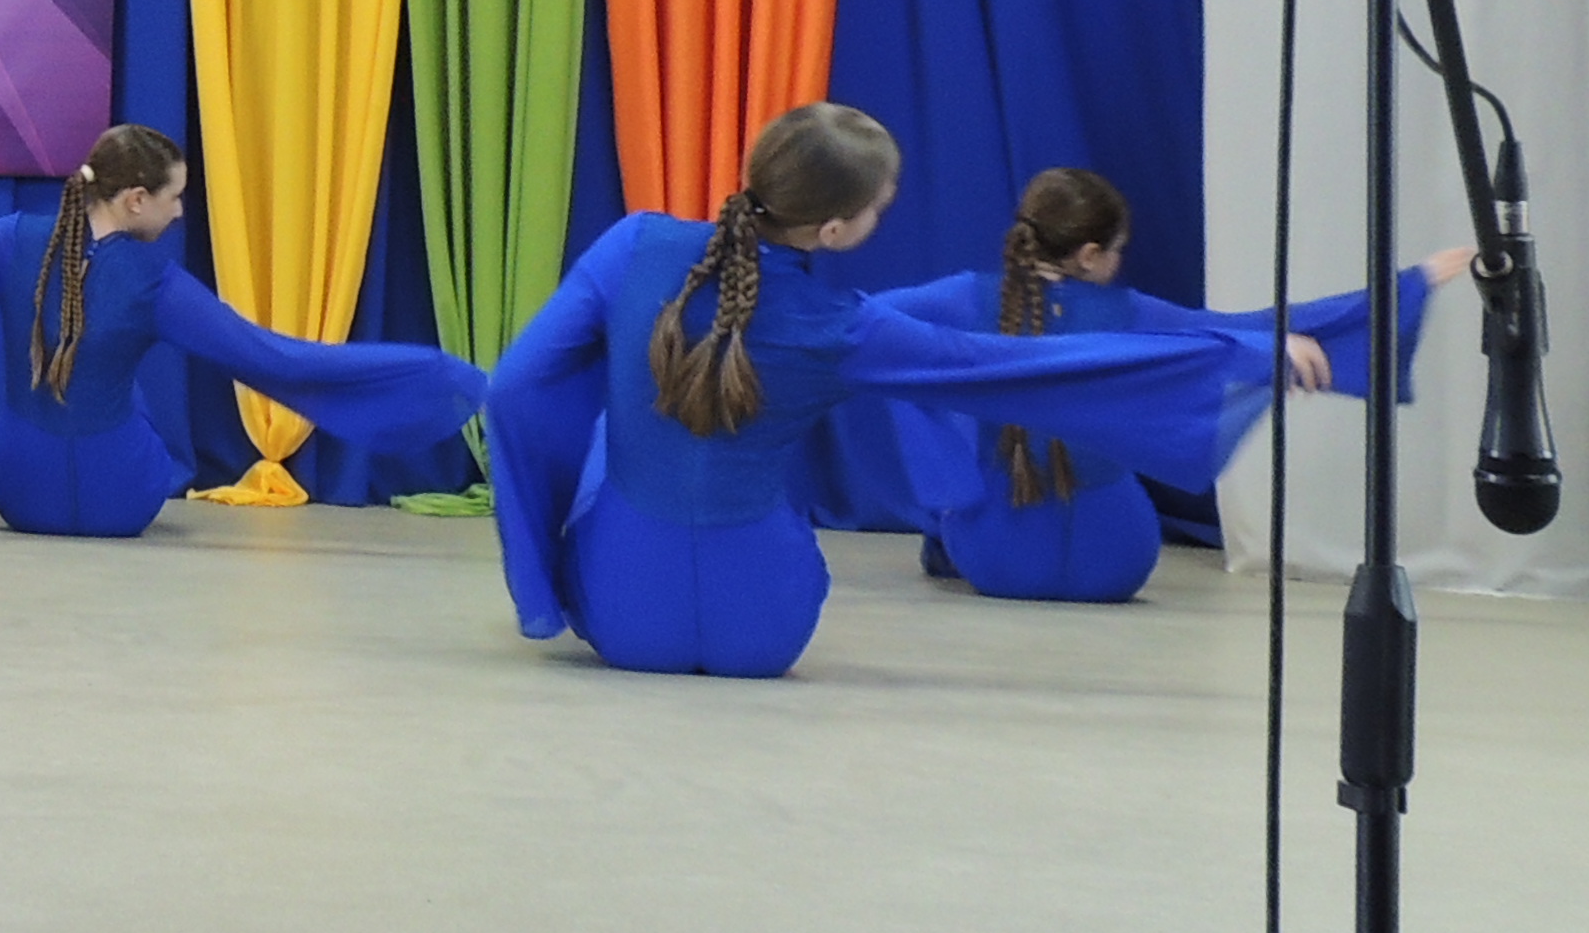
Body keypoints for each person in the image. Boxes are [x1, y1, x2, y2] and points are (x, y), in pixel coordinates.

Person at [483, 104, 1243, 679]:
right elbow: (1018, 370)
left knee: (611, 439)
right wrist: (1254, 355)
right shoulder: (847, 327)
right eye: (882, 204)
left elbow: (516, 387)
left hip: (624, 615)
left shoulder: (634, 244)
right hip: (765, 629)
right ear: (836, 231)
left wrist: (540, 565)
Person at [829, 169, 1470, 605]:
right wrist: (1409, 286)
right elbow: (1250, 330)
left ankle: (949, 532)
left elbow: (858, 327)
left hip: (999, 557)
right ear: (1089, 254)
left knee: (950, 501)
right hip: (1117, 560)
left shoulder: (959, 299)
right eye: (1117, 250)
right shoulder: (1134, 314)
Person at [0, 125, 487, 534]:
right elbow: (281, 363)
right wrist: (444, 376)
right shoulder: (157, 282)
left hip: (19, 496)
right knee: (128, 393)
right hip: (120, 505)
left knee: (83, 377)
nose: (178, 212)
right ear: (135, 200)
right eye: (174, 198)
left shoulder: (8, 240)